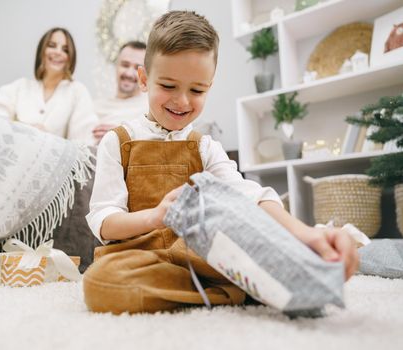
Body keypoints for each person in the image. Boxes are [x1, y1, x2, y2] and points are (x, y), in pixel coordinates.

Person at [82, 11, 359, 314]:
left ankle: (253, 280)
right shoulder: (118, 141)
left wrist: (307, 234)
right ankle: (234, 291)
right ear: (144, 79)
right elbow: (105, 222)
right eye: (169, 86)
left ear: (209, 86)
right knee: (101, 283)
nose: (183, 101)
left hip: (196, 255)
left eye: (197, 90)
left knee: (255, 243)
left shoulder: (204, 146)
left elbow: (249, 195)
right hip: (138, 258)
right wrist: (155, 217)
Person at [0, 27, 97, 144]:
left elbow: (83, 141)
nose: (58, 52)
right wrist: (21, 130)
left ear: (70, 58)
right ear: (42, 50)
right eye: (52, 45)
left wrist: (49, 140)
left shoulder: (77, 91)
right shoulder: (21, 86)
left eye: (65, 50)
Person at [92, 41, 148, 143]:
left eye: (137, 68)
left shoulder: (150, 110)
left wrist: (119, 136)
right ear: (116, 66)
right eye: (125, 65)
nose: (129, 73)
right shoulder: (95, 106)